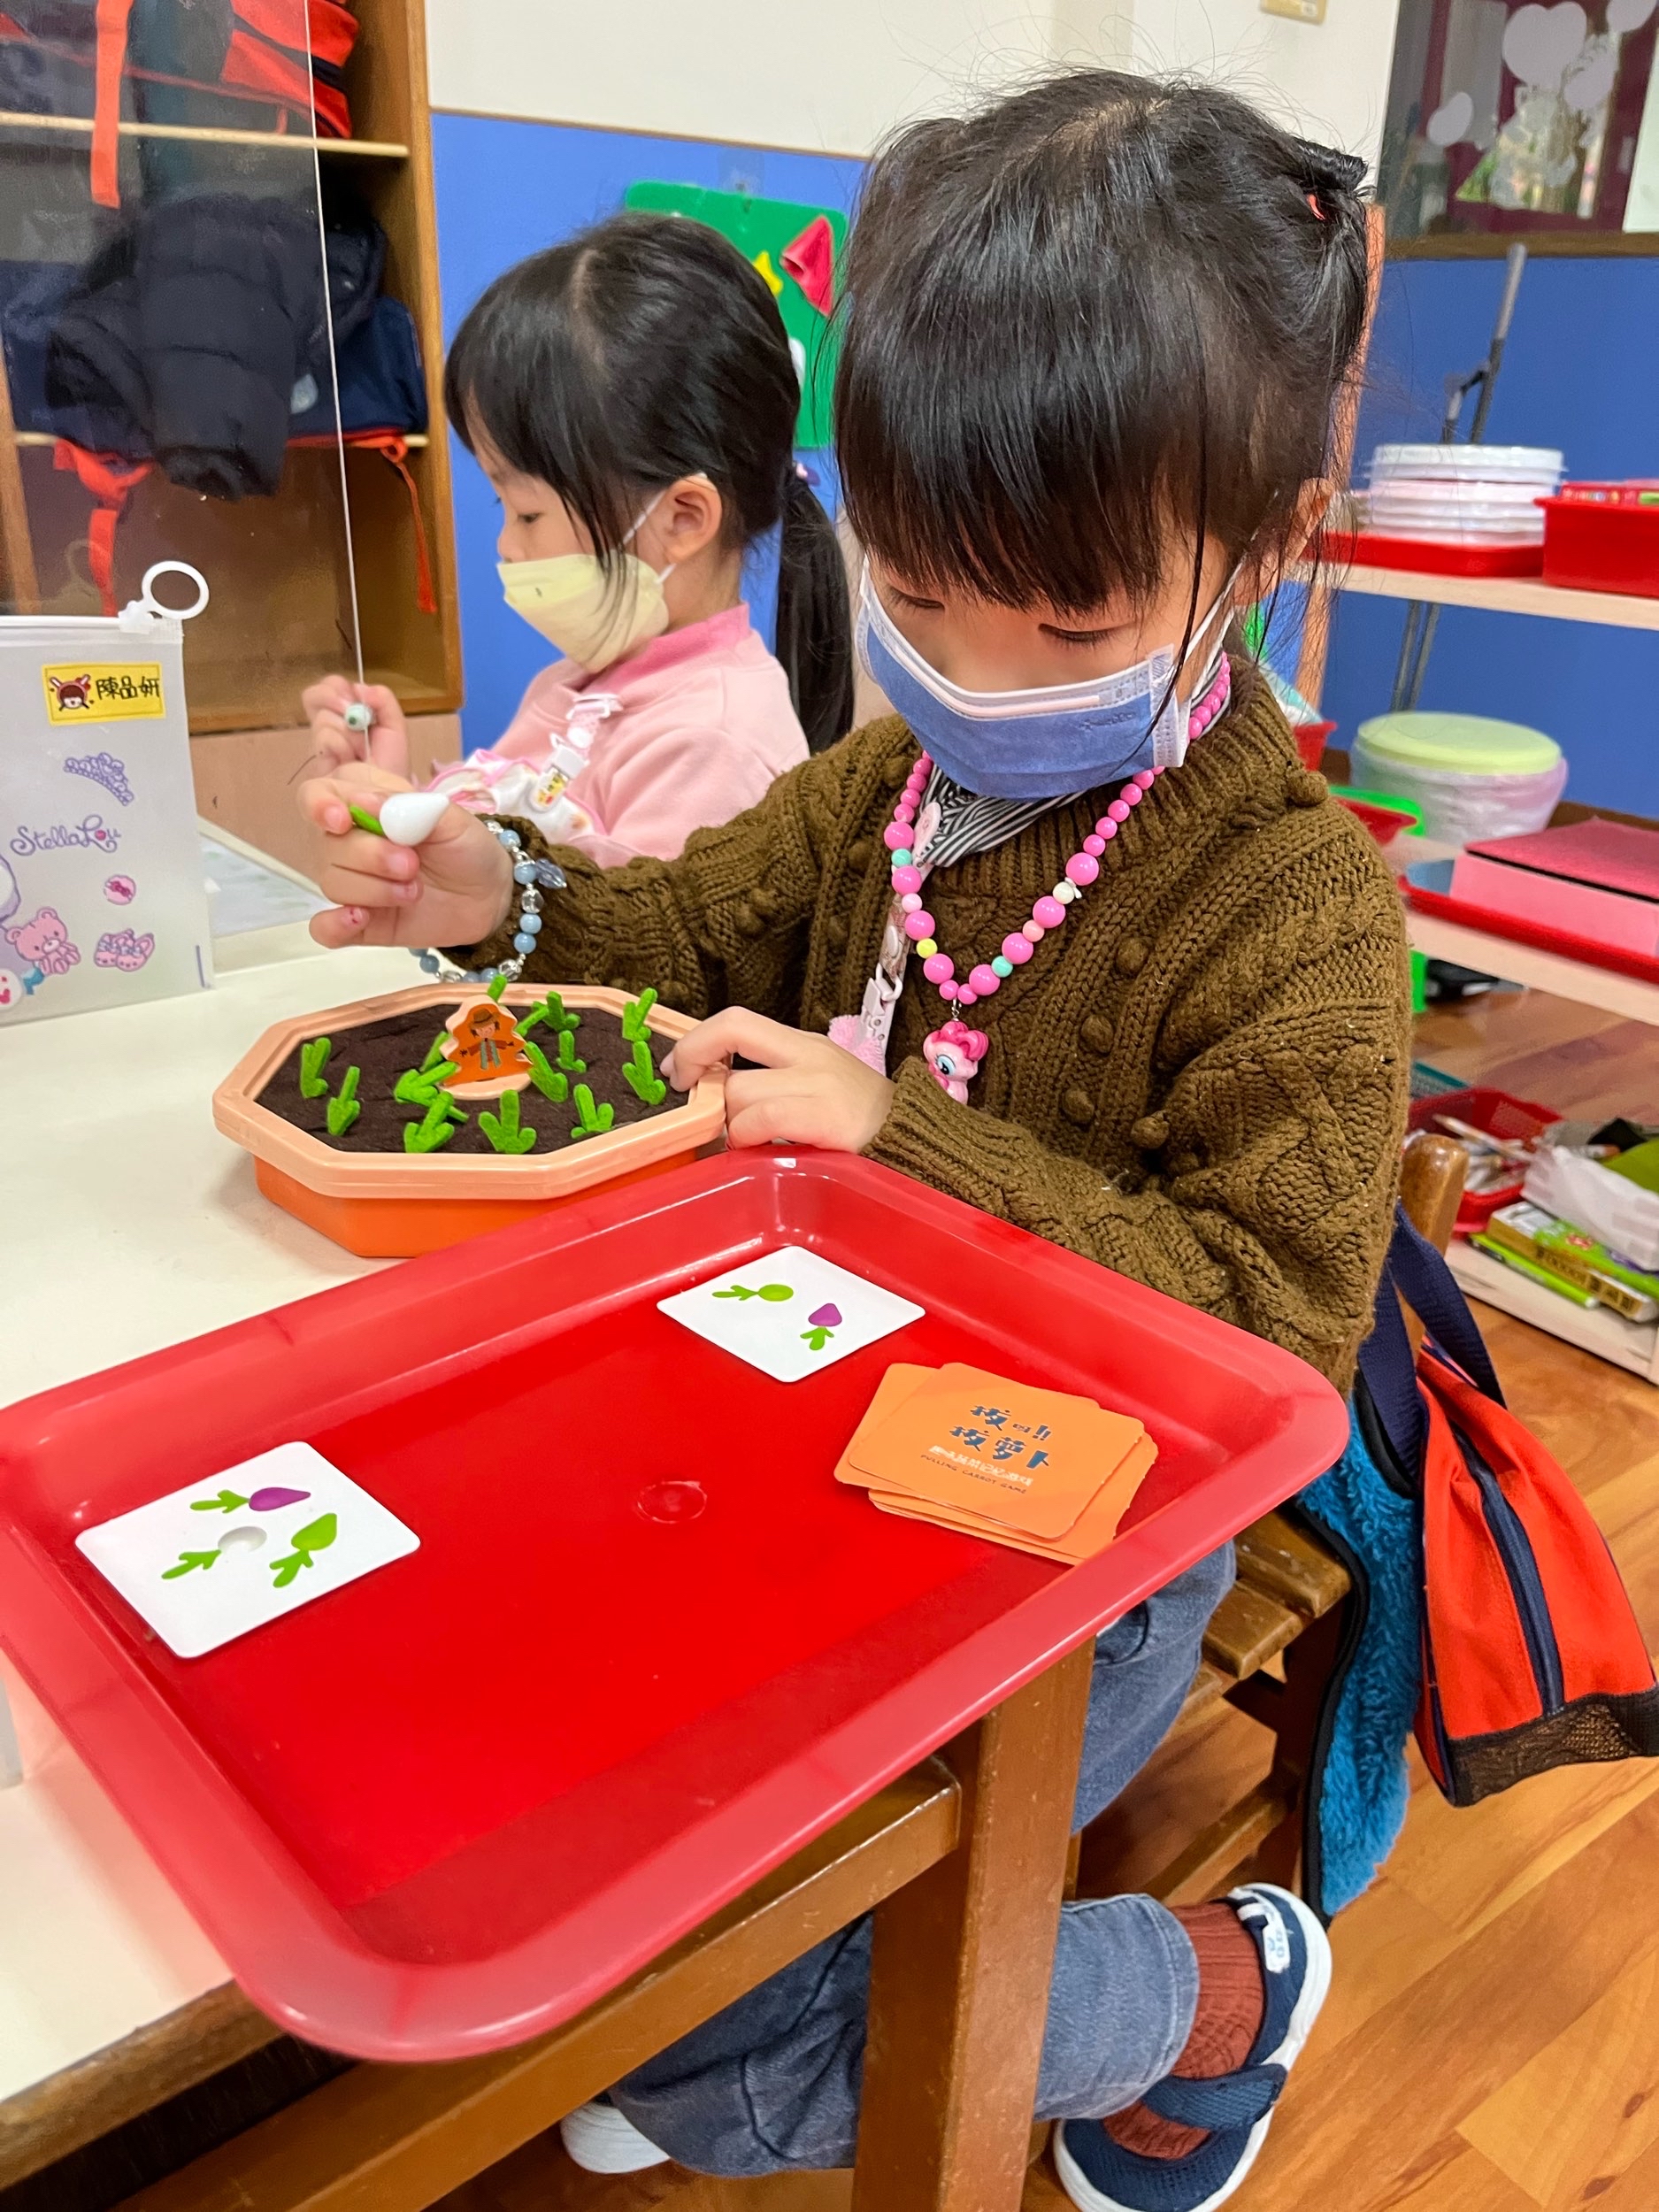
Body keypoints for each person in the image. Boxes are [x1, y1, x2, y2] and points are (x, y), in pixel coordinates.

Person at [298, 71, 1409, 2212]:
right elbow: (668, 933)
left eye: (1068, 617)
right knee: (574, 1856)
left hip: (1097, 1533)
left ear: (1268, 543)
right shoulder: (885, 793)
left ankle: (1210, 1989)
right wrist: (488, 894)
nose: (973, 661)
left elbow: (1270, 1341)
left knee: (705, 2050)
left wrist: (903, 1137)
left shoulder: (1294, 906)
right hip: (818, 1439)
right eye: (913, 576)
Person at [303, 211, 855, 867]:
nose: (506, 546)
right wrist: (394, 796)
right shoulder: (576, 684)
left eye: (527, 513)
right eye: (503, 506)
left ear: (683, 519)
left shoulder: (712, 744)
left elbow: (602, 931)